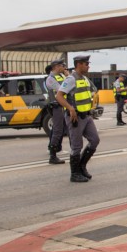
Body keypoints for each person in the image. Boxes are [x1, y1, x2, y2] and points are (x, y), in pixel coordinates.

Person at [55, 55, 99, 183]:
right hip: (75, 117)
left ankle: (82, 166)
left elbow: (92, 91)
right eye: (86, 64)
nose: (88, 66)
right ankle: (74, 173)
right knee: (76, 146)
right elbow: (59, 96)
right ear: (79, 64)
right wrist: (70, 108)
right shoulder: (71, 79)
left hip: (86, 116)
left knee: (95, 140)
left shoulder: (85, 78)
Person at [45, 59, 68, 164]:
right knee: (57, 130)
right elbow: (62, 89)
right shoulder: (50, 79)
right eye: (62, 65)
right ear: (56, 67)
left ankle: (58, 148)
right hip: (57, 106)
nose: (63, 67)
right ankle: (52, 156)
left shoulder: (61, 76)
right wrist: (68, 79)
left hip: (63, 106)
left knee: (64, 129)